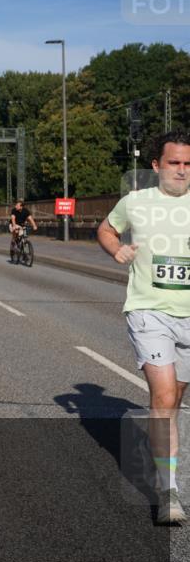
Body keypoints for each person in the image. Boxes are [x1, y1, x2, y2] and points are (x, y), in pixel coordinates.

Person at [97, 129, 190, 524]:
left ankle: (162, 460)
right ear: (156, 166)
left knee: (174, 403)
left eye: (188, 164)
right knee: (164, 396)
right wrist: (116, 248)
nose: (182, 171)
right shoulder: (136, 201)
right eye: (174, 163)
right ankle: (169, 492)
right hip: (148, 310)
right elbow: (105, 228)